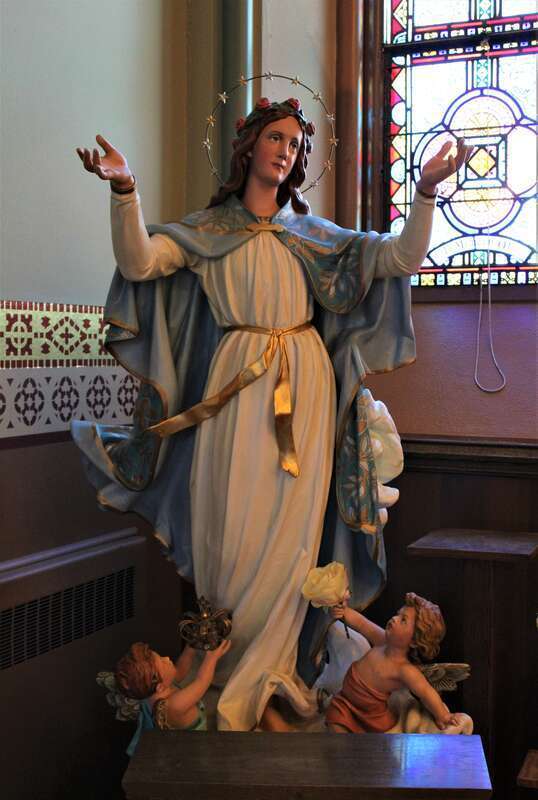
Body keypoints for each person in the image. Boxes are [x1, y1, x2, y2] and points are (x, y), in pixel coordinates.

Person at [73, 97, 472, 732]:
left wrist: (424, 191)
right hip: (235, 390)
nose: (285, 151)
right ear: (248, 147)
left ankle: (276, 677)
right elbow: (139, 263)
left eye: (294, 143)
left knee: (289, 545)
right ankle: (225, 678)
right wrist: (125, 189)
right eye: (275, 138)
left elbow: (399, 260)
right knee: (227, 534)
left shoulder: (316, 237)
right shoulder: (209, 231)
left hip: (305, 393)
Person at [325, 592, 464, 733]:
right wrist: (344, 611)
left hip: (371, 716)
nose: (394, 618)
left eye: (403, 620)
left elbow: (426, 692)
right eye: (398, 614)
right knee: (334, 725)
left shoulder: (405, 670)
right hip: (345, 702)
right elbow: (361, 623)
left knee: (377, 739)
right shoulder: (382, 641)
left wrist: (443, 715)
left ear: (415, 641)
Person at [115, 639, 230, 753]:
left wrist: (191, 646)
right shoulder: (174, 706)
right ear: (160, 687)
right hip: (189, 751)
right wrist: (212, 658)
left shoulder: (150, 691)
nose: (167, 658)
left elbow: (179, 670)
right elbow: (202, 681)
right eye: (163, 662)